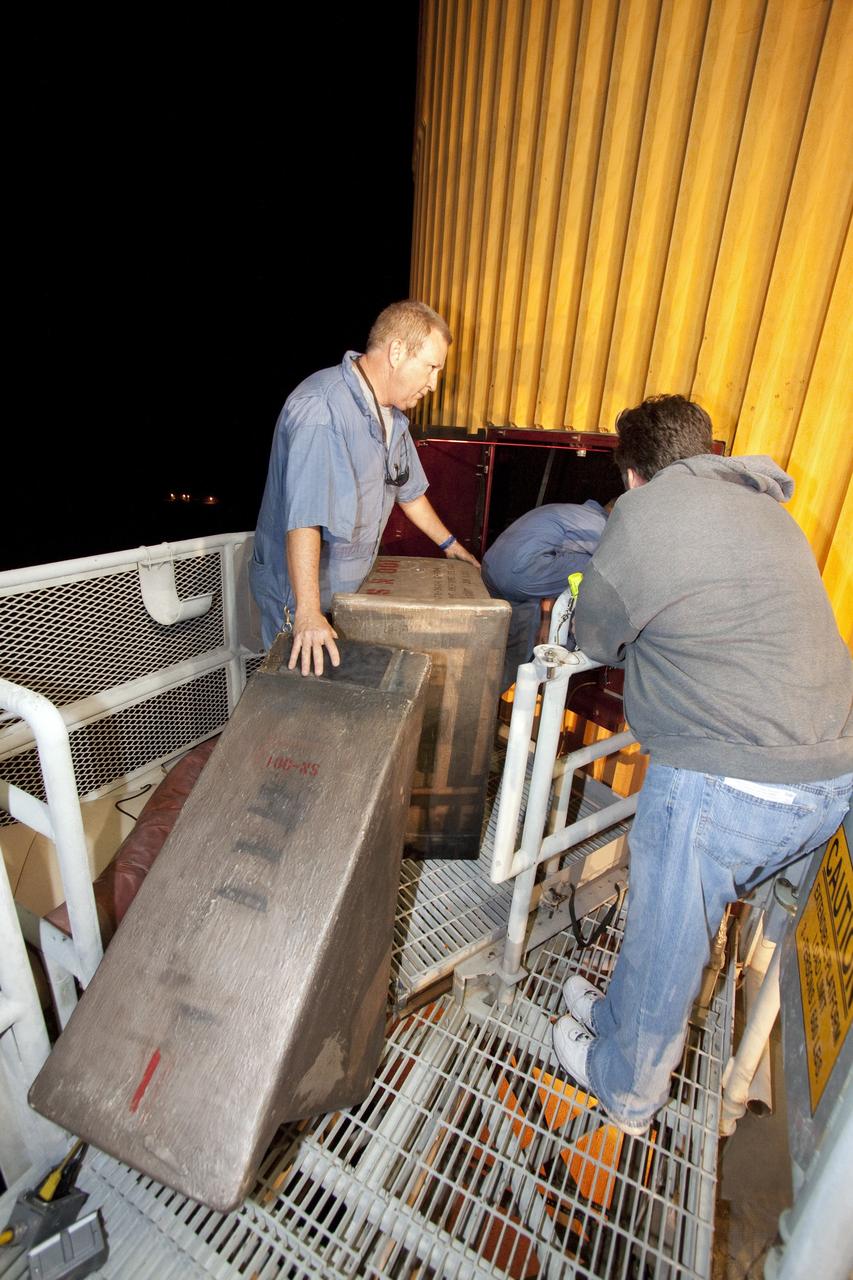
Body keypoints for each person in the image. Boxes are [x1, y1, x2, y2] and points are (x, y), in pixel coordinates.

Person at [552, 394, 853, 1135]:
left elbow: (596, 637)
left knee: (668, 940)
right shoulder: (768, 513)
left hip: (731, 783)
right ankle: (619, 1014)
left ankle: (625, 1091)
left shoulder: (643, 515)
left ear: (631, 475)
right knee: (661, 927)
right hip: (830, 781)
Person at [250, 300, 478, 672]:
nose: (433, 385)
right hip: (297, 598)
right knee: (295, 699)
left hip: (340, 596)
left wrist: (451, 546)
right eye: (432, 367)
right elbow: (304, 519)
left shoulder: (391, 417)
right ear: (397, 351)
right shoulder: (321, 411)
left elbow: (410, 493)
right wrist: (307, 613)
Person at [481, 496, 619, 690]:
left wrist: (545, 619)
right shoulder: (600, 524)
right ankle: (569, 642)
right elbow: (617, 565)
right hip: (522, 573)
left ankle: (479, 701)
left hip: (491, 569)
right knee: (604, 566)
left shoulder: (570, 510)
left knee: (515, 654)